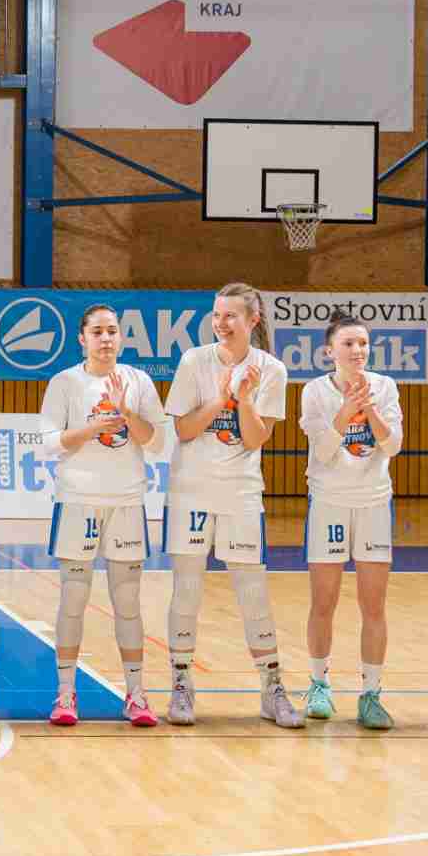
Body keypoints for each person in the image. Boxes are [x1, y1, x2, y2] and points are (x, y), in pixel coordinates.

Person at [162, 282, 304, 728]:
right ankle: (181, 683)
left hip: (241, 492)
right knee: (187, 589)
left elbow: (256, 438)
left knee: (253, 592)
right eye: (217, 315)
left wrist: (243, 399)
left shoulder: (271, 370)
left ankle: (272, 688)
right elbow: (184, 429)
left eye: (231, 316)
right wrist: (221, 398)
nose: (221, 323)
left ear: (252, 320)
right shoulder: (194, 361)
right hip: (190, 491)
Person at [39, 303, 167, 728]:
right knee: (73, 600)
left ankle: (136, 694)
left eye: (112, 330)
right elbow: (49, 443)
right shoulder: (65, 383)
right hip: (77, 501)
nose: (106, 338)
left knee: (127, 602)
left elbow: (156, 442)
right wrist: (96, 426)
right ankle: (65, 694)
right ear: (83, 338)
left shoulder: (139, 381)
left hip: (127, 503)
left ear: (121, 337)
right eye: (97, 331)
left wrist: (127, 414)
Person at [299, 313, 402, 730]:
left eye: (362, 343)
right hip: (329, 503)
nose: (357, 350)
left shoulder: (385, 386)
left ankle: (371, 694)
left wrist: (370, 408)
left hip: (374, 503)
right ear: (330, 351)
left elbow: (392, 446)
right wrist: (346, 410)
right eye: (348, 344)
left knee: (373, 606)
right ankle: (319, 684)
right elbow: (324, 451)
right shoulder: (314, 391)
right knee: (324, 602)